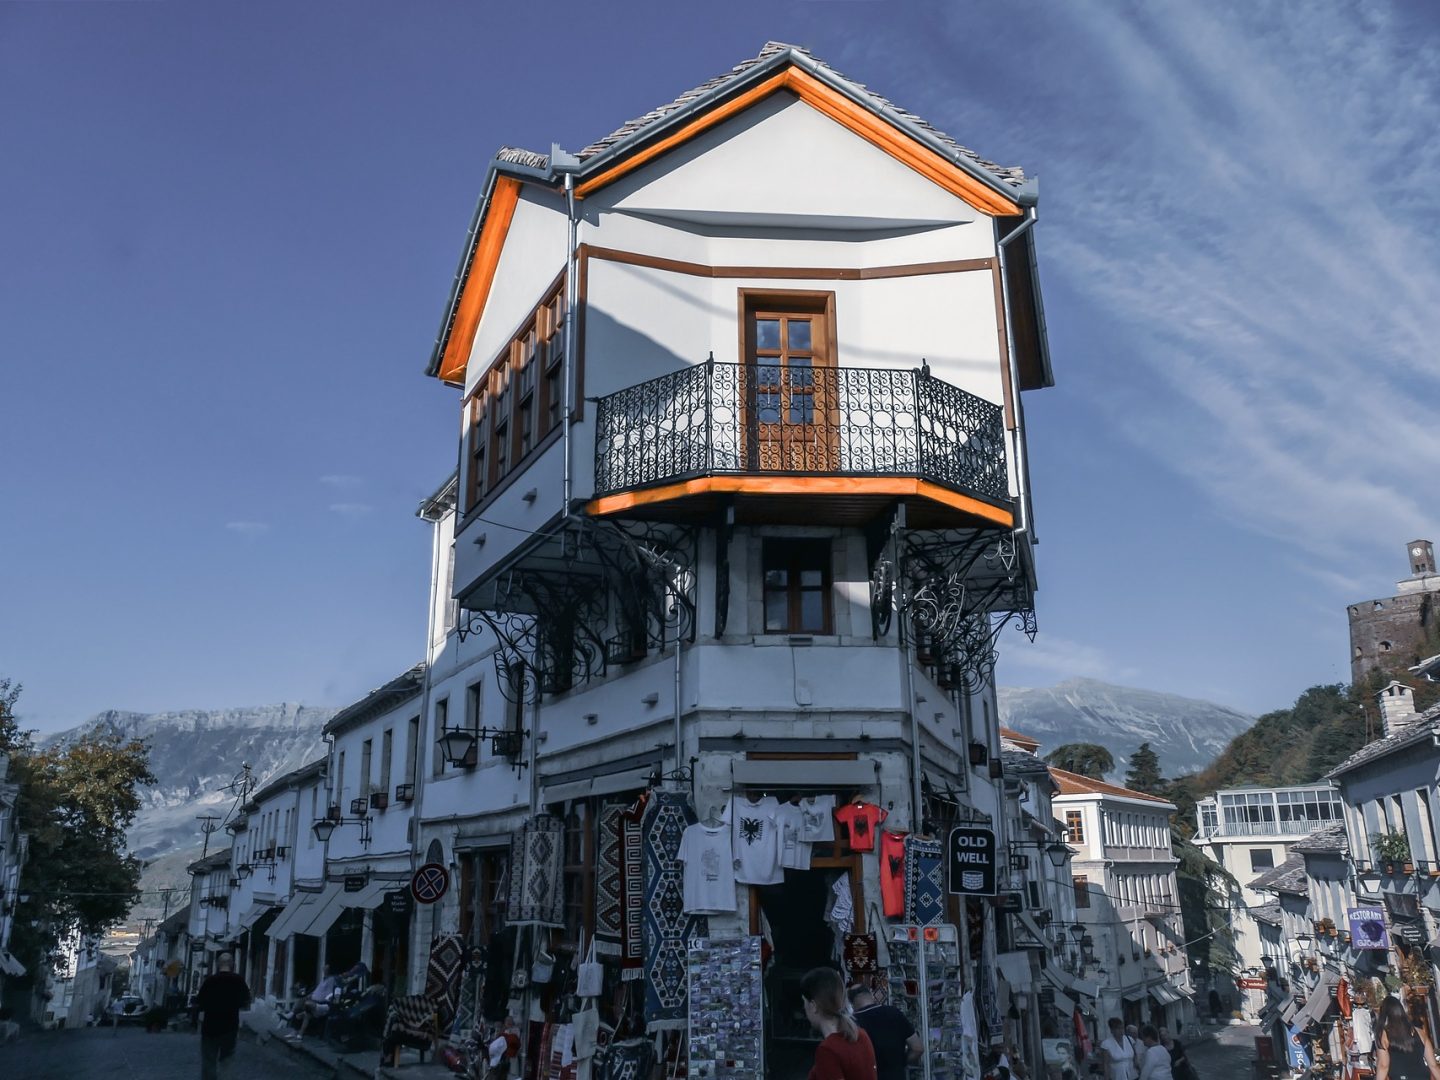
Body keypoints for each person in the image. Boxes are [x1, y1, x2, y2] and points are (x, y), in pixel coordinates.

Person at [801, 967, 877, 1080]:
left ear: (813, 1006)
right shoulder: (861, 1035)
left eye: (804, 1002)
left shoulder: (828, 1050)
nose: (804, 1007)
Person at [195, 953, 251, 1080]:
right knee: (227, 1060)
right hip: (229, 1027)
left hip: (210, 1027)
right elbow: (245, 1002)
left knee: (209, 1061)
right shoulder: (238, 981)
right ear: (232, 964)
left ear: (218, 964)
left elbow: (200, 1003)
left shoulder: (210, 981)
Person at [848, 984, 921, 1080]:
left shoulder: (852, 1023)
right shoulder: (894, 1013)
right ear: (871, 993)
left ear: (851, 1003)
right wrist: (899, 1063)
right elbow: (918, 1049)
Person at [1374, 996, 1440, 1080]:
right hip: (1422, 1076)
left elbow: (1383, 1066)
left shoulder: (1383, 1034)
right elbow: (1433, 1065)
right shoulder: (1420, 1032)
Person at [293, 964, 339, 1039]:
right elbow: (318, 990)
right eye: (324, 968)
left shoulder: (332, 979)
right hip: (313, 1000)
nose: (324, 969)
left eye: (326, 968)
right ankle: (298, 1031)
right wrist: (311, 994)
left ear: (329, 970)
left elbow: (329, 993)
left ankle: (299, 1028)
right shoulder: (323, 979)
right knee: (300, 1003)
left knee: (306, 1007)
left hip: (321, 1003)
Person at [485, 1016, 522, 1080]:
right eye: (507, 1021)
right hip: (504, 1059)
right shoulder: (501, 1034)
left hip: (511, 1057)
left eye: (510, 1021)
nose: (509, 1023)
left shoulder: (515, 1031)